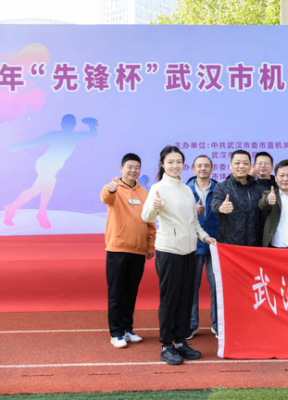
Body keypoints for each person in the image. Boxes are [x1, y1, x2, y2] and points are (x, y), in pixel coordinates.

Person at [142, 146, 216, 365]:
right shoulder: (157, 188)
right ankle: (166, 345)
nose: (175, 166)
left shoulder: (186, 189)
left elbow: (193, 222)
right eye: (170, 162)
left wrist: (205, 237)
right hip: (169, 251)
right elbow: (146, 217)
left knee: (186, 296)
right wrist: (154, 206)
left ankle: (181, 341)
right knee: (170, 298)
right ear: (163, 164)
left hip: (189, 250)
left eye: (178, 162)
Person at [101, 153, 156, 349]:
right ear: (121, 168)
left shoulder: (144, 193)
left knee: (131, 293)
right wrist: (110, 189)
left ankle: (127, 329)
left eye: (137, 167)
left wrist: (149, 245)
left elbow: (150, 222)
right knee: (116, 293)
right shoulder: (113, 187)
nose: (133, 170)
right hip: (117, 249)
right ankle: (115, 333)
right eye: (130, 167)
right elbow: (105, 197)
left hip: (138, 250)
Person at [4, 114, 98, 229]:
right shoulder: (56, 135)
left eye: (70, 124)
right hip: (45, 164)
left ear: (73, 125)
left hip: (54, 166)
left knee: (37, 190)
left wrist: (91, 124)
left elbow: (93, 134)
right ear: (62, 124)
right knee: (47, 185)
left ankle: (13, 208)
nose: (68, 125)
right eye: (66, 123)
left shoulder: (75, 136)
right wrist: (20, 146)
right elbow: (36, 142)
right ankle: (40, 213)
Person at [186, 155, 219, 340]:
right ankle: (191, 324)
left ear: (212, 169)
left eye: (207, 166)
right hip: (192, 245)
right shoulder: (185, 190)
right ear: (193, 169)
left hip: (214, 244)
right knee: (191, 287)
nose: (203, 168)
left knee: (217, 288)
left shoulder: (220, 188)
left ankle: (217, 325)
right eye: (199, 166)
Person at [210, 150, 263, 246]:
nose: (241, 166)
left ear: (251, 166)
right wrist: (221, 207)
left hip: (254, 244)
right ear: (230, 165)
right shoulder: (222, 187)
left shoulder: (257, 188)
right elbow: (215, 203)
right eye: (237, 163)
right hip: (229, 244)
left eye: (245, 163)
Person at [253, 152, 278, 241]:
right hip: (254, 233)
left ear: (272, 167)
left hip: (275, 234)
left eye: (266, 163)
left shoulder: (280, 186)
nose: (263, 166)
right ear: (254, 166)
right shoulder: (249, 185)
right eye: (260, 163)